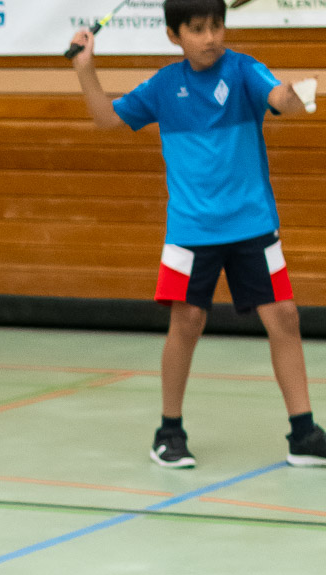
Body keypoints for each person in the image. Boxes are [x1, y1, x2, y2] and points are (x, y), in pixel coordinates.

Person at [71, 0, 326, 469]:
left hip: (253, 224)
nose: (210, 38)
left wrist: (300, 93)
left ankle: (303, 433)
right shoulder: (164, 86)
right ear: (174, 36)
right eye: (197, 29)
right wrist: (85, 68)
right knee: (186, 323)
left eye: (216, 26)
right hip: (191, 231)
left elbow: (280, 99)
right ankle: (169, 431)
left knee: (285, 317)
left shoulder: (244, 70)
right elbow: (106, 118)